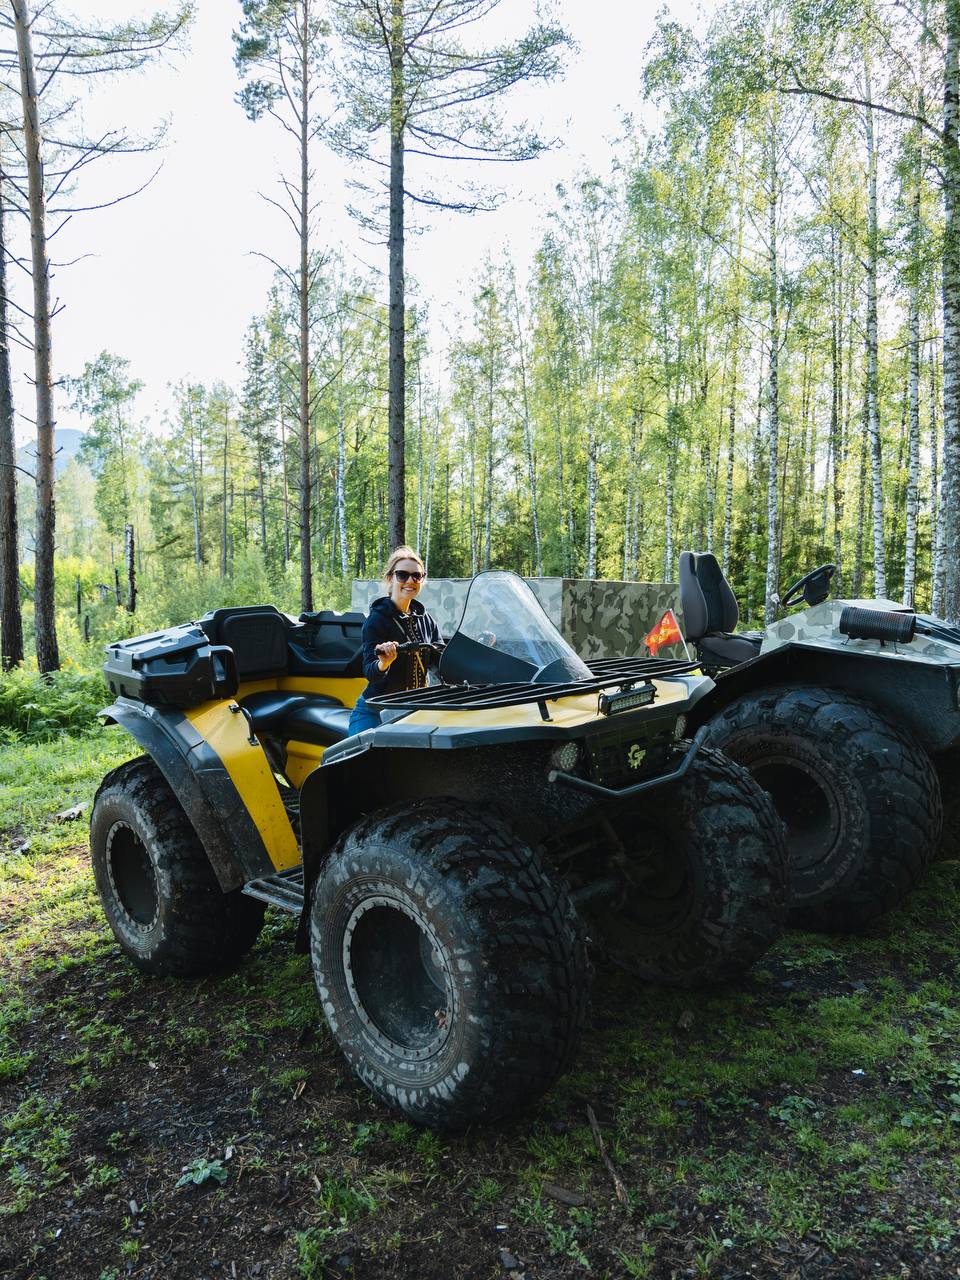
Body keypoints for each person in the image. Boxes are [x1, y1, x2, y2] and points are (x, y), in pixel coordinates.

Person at [347, 546, 444, 735]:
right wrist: (384, 663)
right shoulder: (377, 619)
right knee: (365, 762)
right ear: (390, 578)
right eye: (402, 575)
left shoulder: (426, 619)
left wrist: (470, 653)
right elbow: (370, 672)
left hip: (414, 710)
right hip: (375, 710)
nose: (410, 581)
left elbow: (440, 662)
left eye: (416, 576)